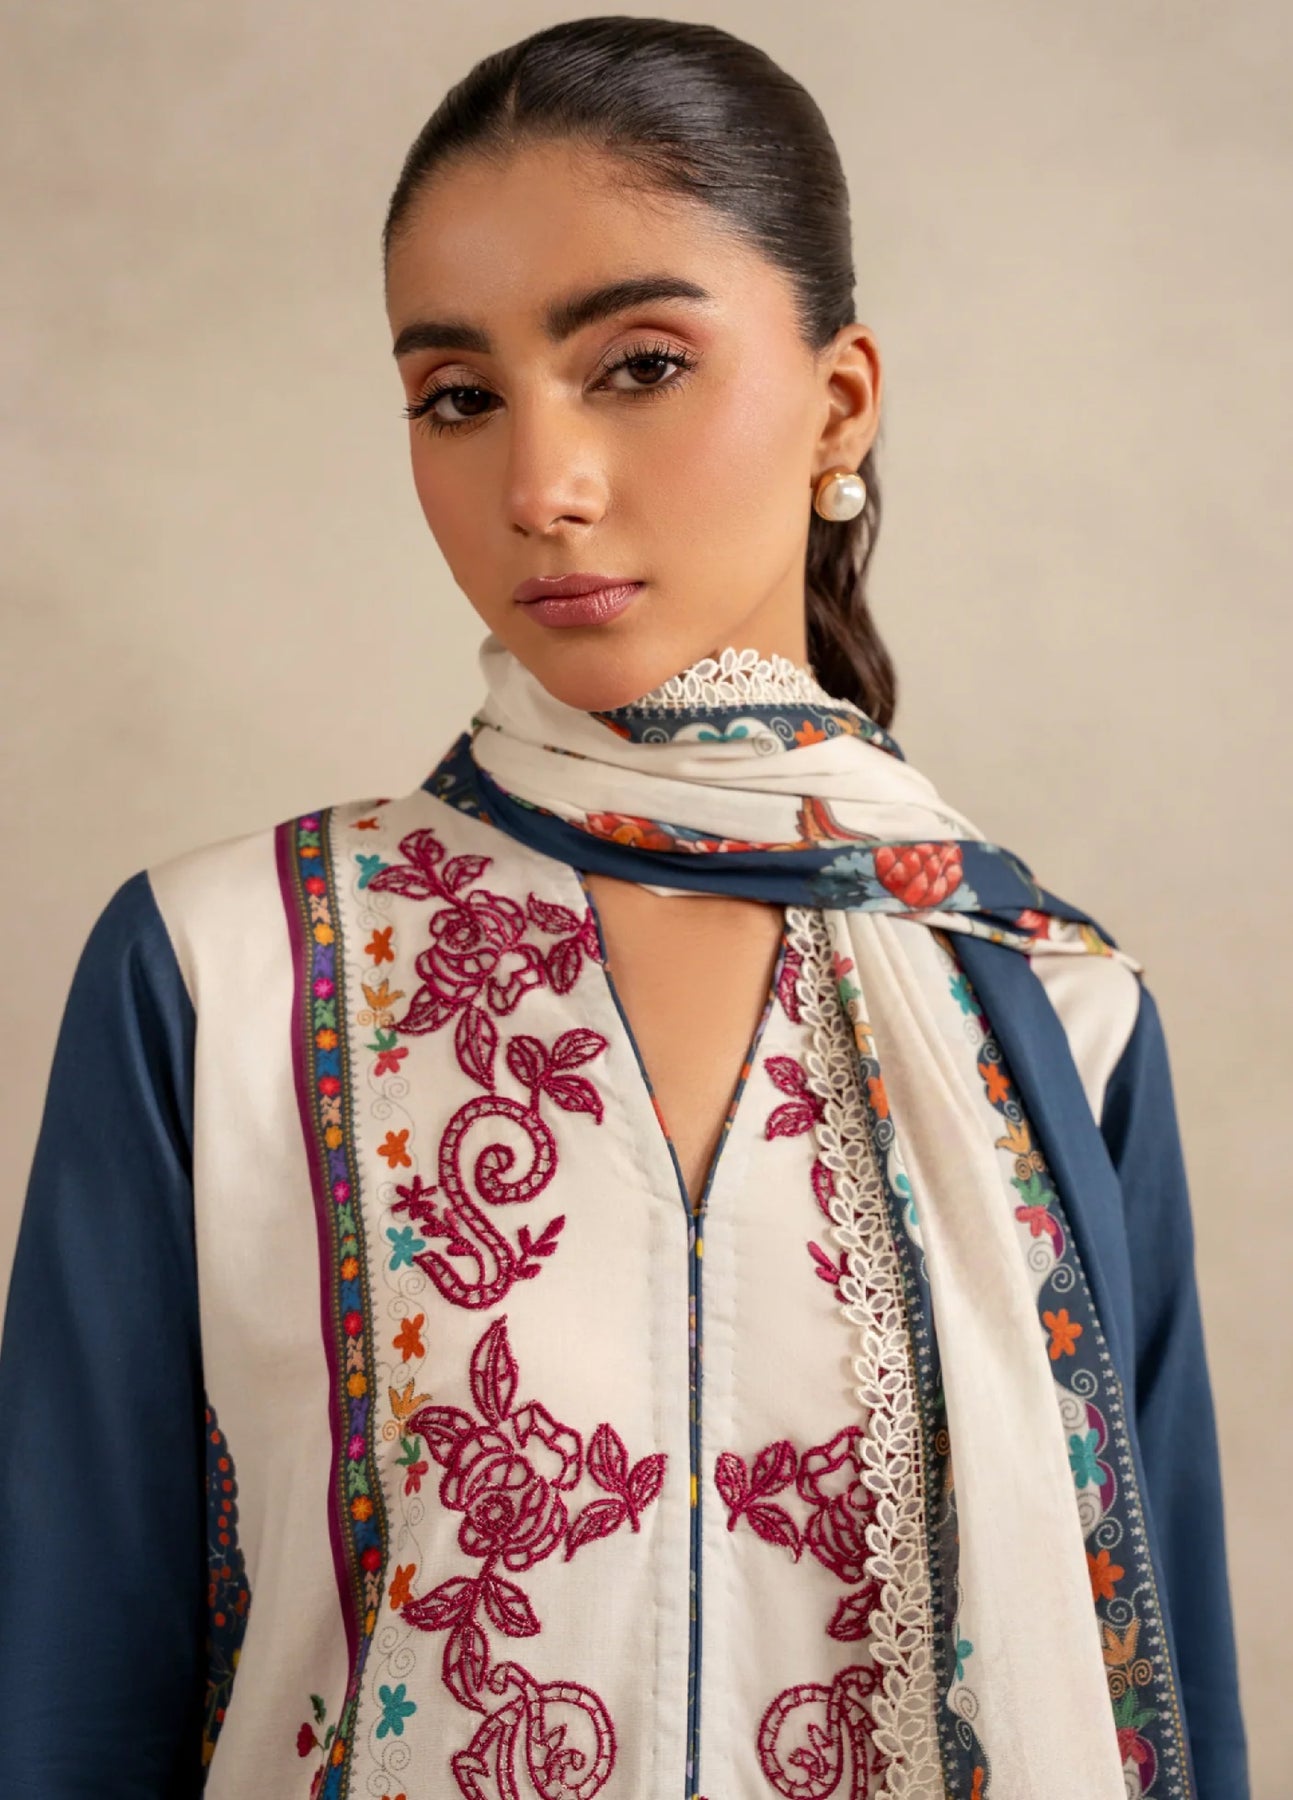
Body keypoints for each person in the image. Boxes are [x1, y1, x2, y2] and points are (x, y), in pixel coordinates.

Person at [0, 16, 1248, 1800]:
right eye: (458, 395)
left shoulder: (1047, 1011)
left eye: (639, 366)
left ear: (839, 402)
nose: (541, 489)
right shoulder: (221, 973)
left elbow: (1160, 1704)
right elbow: (62, 1694)